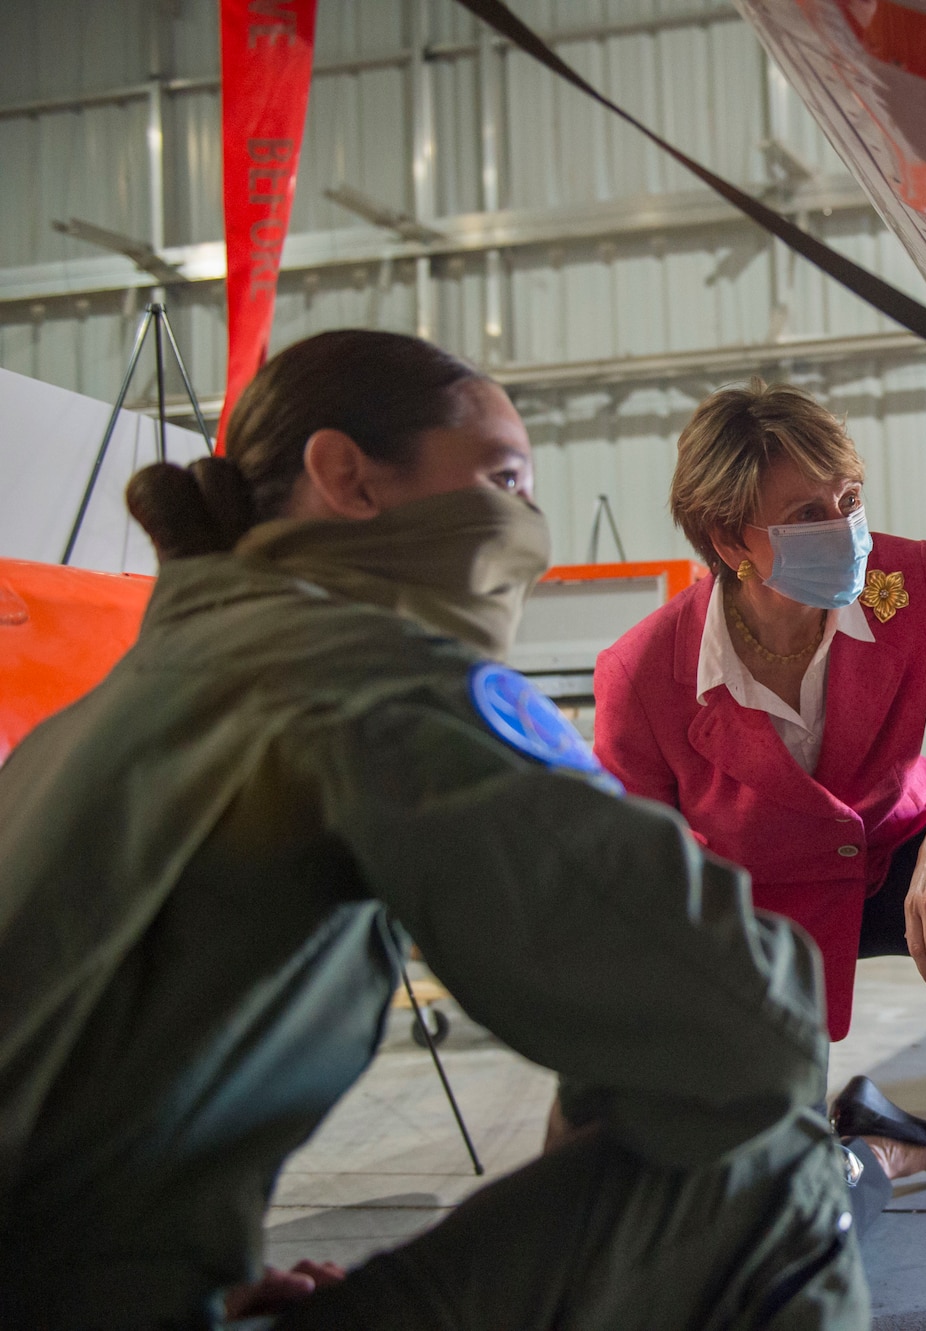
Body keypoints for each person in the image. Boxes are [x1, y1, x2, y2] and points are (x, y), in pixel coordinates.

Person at [0, 331, 864, 1331]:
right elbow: (750, 1026)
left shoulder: (123, 699)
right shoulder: (359, 679)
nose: (527, 523)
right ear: (345, 476)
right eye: (503, 477)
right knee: (769, 1173)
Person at [593, 381, 926, 1330]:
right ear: (726, 538)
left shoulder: (908, 585)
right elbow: (638, 886)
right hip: (760, 927)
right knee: (780, 1238)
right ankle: (880, 1147)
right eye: (805, 514)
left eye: (848, 500)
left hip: (904, 864)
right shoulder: (645, 675)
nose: (846, 529)